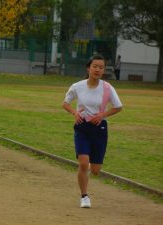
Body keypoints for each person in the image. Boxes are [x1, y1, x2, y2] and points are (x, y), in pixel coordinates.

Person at [63, 54, 122, 208]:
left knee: (95, 170)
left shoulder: (108, 88)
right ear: (88, 68)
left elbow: (118, 106)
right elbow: (66, 103)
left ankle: (89, 166)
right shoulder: (77, 86)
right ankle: (84, 196)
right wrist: (75, 113)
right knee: (83, 163)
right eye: (95, 66)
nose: (97, 69)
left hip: (99, 129)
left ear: (103, 71)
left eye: (101, 67)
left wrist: (103, 114)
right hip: (82, 126)